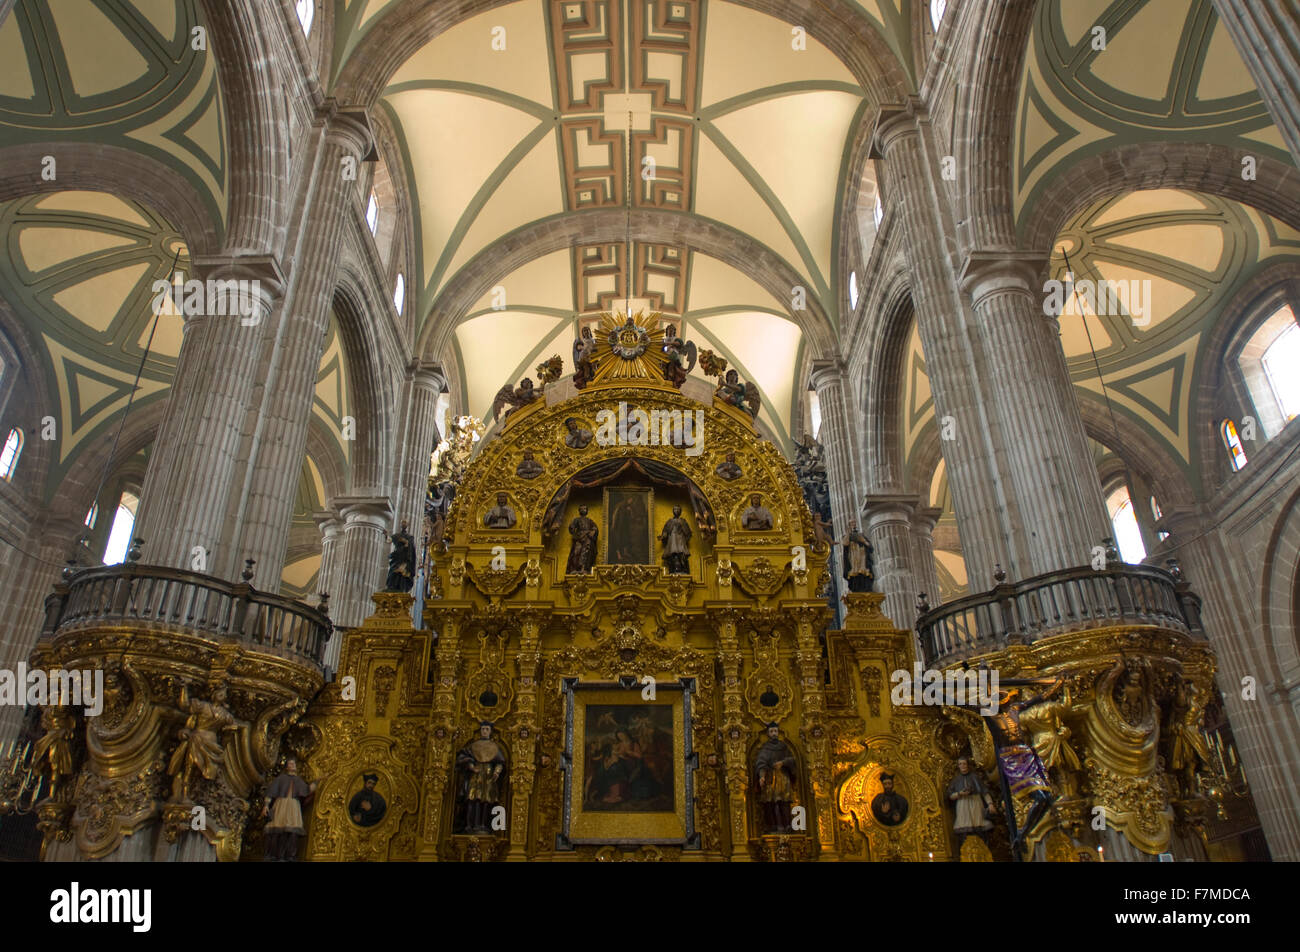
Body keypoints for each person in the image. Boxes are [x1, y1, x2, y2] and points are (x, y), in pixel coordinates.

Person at [456, 722, 507, 834]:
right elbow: (464, 757)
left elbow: (500, 762)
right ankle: (470, 825)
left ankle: (484, 825)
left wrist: (497, 772)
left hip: (488, 776)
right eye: (483, 729)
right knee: (473, 799)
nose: (484, 731)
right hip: (476, 774)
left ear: (490, 731)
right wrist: (471, 767)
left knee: (486, 800)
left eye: (486, 729)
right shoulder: (474, 745)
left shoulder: (494, 747)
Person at [263, 758, 317, 861]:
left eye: (294, 764)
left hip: (293, 806)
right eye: (290, 764)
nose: (292, 765)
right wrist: (266, 805)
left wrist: (318, 781)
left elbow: (307, 790)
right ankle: (274, 854)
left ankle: (289, 855)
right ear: (287, 766)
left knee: (292, 829)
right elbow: (271, 792)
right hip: (281, 804)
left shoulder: (298, 780)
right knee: (278, 828)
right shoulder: (281, 779)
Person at [754, 722, 797, 833]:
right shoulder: (765, 748)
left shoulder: (783, 747)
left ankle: (787, 825)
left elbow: (792, 760)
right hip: (770, 778)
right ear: (768, 734)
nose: (774, 734)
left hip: (783, 777)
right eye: (772, 731)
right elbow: (761, 762)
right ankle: (773, 825)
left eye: (775, 731)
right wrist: (761, 776)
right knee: (771, 803)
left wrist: (783, 763)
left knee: (784, 802)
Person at [946, 756, 995, 841]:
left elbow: (984, 791)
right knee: (965, 826)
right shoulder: (956, 780)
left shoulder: (974, 777)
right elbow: (950, 795)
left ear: (968, 764)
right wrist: (959, 793)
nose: (962, 766)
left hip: (975, 802)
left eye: (964, 763)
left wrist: (990, 804)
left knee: (977, 823)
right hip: (963, 804)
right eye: (960, 764)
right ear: (958, 766)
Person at [841, 522, 875, 592]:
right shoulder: (847, 536)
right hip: (853, 557)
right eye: (851, 523)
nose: (853, 525)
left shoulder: (861, 535)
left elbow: (870, 547)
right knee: (855, 575)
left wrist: (864, 541)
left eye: (854, 523)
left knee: (864, 572)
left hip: (862, 556)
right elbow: (845, 544)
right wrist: (848, 533)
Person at [659, 505, 692, 574]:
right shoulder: (670, 522)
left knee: (682, 554)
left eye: (678, 509)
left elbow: (688, 532)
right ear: (673, 511)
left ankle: (682, 567)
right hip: (672, 541)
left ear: (680, 511)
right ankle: (675, 568)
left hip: (680, 540)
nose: (676, 511)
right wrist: (662, 536)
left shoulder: (683, 521)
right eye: (675, 509)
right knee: (673, 555)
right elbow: (666, 532)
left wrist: (686, 537)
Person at [566, 504, 599, 574]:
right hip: (579, 538)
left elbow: (595, 528)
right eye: (581, 509)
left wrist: (592, 531)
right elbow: (571, 528)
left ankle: (584, 568)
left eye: (584, 509)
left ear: (587, 511)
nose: (583, 510)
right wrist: (575, 532)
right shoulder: (576, 520)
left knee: (586, 551)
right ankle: (575, 568)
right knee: (576, 552)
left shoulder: (589, 521)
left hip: (587, 538)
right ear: (579, 511)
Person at [385, 521, 416, 592]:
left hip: (405, 558)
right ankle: (392, 586)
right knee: (393, 572)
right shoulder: (397, 535)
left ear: (407, 525)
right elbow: (389, 540)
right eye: (402, 523)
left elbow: (411, 548)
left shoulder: (410, 537)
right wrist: (386, 535)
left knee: (402, 574)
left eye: (405, 523)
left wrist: (406, 543)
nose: (403, 524)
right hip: (397, 557)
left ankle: (402, 588)